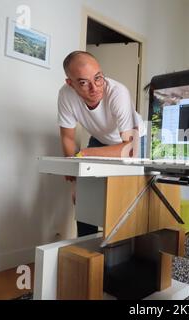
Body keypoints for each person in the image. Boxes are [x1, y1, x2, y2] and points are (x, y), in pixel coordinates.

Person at [57, 51, 143, 237]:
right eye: (83, 82)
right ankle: (86, 246)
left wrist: (85, 154)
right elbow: (68, 138)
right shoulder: (65, 95)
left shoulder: (118, 93)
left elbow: (129, 149)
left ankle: (120, 244)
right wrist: (75, 180)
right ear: (70, 84)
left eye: (98, 78)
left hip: (135, 142)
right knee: (85, 199)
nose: (95, 88)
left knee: (122, 199)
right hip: (100, 141)